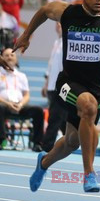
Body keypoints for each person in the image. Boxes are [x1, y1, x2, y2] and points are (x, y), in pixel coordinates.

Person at [14, 0, 100, 192]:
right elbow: (44, 10)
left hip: (96, 89)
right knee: (87, 106)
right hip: (68, 83)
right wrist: (26, 35)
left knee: (72, 141)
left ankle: (43, 163)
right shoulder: (68, 13)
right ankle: (89, 174)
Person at [0, 48, 44, 152]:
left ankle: (37, 143)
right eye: (6, 55)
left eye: (12, 55)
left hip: (19, 106)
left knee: (38, 110)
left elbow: (27, 95)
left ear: (16, 59)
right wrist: (8, 103)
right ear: (2, 58)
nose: (10, 57)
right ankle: (1, 140)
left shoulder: (21, 76)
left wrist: (20, 104)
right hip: (4, 106)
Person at [41, 22, 67, 152]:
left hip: (60, 86)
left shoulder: (68, 43)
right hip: (51, 86)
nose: (58, 25)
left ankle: (46, 146)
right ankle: (73, 140)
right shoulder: (56, 42)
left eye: (60, 24)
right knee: (61, 118)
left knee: (55, 117)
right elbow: (51, 66)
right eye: (56, 23)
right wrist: (46, 84)